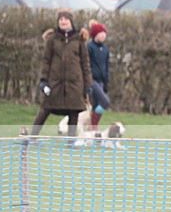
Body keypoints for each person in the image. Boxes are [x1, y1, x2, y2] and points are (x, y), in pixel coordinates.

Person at [32, 8, 91, 137]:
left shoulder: (79, 40)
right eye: (61, 19)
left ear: (71, 21)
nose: (63, 22)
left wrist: (87, 85)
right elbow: (46, 61)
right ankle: (32, 136)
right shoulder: (52, 39)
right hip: (55, 82)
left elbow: (85, 64)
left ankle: (71, 141)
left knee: (73, 112)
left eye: (65, 19)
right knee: (45, 109)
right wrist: (43, 80)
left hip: (75, 83)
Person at [87, 20, 111, 133]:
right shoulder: (89, 47)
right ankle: (93, 127)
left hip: (101, 81)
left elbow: (106, 66)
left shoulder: (105, 49)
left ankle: (91, 131)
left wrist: (106, 82)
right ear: (95, 34)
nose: (103, 35)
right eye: (101, 33)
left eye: (104, 33)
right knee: (105, 102)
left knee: (96, 106)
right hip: (92, 80)